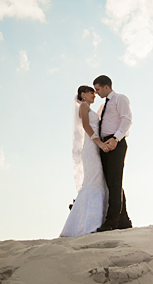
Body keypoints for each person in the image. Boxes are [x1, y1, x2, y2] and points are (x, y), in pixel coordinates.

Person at [60, 86, 111, 237]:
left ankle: (95, 221)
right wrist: (100, 143)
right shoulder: (83, 106)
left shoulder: (89, 108)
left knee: (96, 182)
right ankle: (89, 224)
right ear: (83, 94)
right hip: (91, 147)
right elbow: (86, 126)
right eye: (91, 93)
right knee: (93, 182)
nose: (94, 96)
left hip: (95, 147)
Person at [93, 75, 133, 232]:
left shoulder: (119, 99)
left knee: (115, 183)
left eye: (98, 89)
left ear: (106, 87)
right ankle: (124, 220)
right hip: (105, 145)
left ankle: (111, 222)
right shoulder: (103, 107)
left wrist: (116, 138)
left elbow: (127, 119)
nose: (96, 93)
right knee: (111, 183)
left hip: (115, 142)